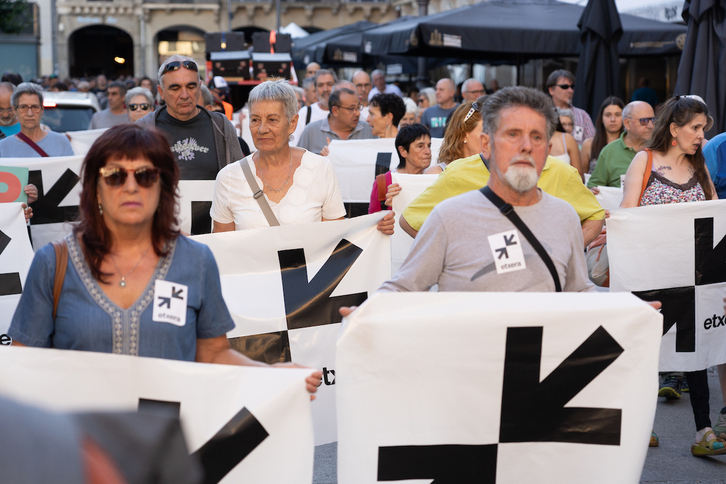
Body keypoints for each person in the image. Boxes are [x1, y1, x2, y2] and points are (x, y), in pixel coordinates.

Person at [8, 124, 322, 396]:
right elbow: (23, 366)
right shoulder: (54, 264)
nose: (131, 186)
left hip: (170, 453)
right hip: (81, 455)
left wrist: (273, 376)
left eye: (145, 175)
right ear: (95, 189)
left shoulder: (195, 261)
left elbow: (213, 356)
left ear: (164, 187)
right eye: (115, 175)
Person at [377, 86, 596, 293]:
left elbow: (580, 291)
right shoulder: (448, 217)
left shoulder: (565, 217)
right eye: (513, 134)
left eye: (536, 137)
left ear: (547, 149)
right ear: (486, 145)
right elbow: (403, 287)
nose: (526, 146)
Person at [620, 95, 722, 456]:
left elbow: (713, 217)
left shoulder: (699, 165)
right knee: (646, 351)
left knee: (693, 353)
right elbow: (626, 216)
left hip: (692, 276)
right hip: (650, 278)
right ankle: (639, 423)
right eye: (695, 128)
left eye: (703, 128)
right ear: (674, 129)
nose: (700, 135)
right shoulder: (644, 160)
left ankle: (703, 430)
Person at [399, 100, 605, 247]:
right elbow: (409, 220)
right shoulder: (458, 173)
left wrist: (567, 251)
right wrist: (456, 256)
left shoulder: (560, 171)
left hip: (542, 295)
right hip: (482, 296)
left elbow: (594, 215)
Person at [210, 80, 394, 234]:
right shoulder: (229, 178)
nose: (262, 129)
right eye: (255, 119)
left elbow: (335, 240)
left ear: (293, 123)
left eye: (272, 119)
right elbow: (224, 252)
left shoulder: (320, 169)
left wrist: (374, 229)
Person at [136, 55, 242, 180]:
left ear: (199, 87)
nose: (184, 95)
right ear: (161, 92)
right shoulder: (142, 128)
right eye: (175, 88)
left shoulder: (221, 125)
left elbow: (239, 178)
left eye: (191, 87)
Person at [587, 100, 654, 189]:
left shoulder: (661, 148)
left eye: (653, 120)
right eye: (644, 121)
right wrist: (593, 190)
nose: (651, 126)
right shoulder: (609, 151)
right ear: (627, 123)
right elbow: (594, 186)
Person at [368, 124, 431, 214]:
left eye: (429, 146)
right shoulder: (383, 182)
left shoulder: (436, 179)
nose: (428, 151)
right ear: (403, 151)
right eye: (420, 146)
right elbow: (373, 222)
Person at [0, 82, 73, 157]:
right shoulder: (3, 148)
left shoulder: (61, 142)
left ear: (42, 110)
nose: (30, 113)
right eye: (23, 107)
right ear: (14, 110)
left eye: (35, 107)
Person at [298, 87, 374, 155]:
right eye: (351, 109)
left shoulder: (369, 130)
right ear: (335, 111)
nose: (358, 113)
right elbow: (298, 162)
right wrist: (321, 161)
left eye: (358, 108)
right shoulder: (311, 131)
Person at [425, 100, 482, 175]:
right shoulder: (436, 174)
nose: (489, 138)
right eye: (485, 131)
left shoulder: (494, 173)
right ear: (464, 135)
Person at [546, 69, 594, 145]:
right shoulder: (543, 114)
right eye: (565, 86)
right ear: (551, 90)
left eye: (572, 87)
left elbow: (592, 145)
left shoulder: (582, 115)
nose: (570, 90)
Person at [290, 69, 337, 146]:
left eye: (329, 84)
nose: (325, 89)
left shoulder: (344, 111)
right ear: (316, 88)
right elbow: (294, 145)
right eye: (320, 85)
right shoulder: (306, 113)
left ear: (336, 86)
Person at [580, 96, 625, 174]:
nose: (613, 119)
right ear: (601, 119)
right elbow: (581, 176)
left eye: (617, 115)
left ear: (625, 118)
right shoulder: (589, 144)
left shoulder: (631, 145)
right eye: (608, 115)